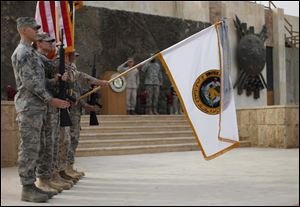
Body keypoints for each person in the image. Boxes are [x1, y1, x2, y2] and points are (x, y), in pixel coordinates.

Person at [11, 17, 70, 203]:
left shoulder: (33, 53)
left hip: (39, 106)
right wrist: (50, 99)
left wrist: (55, 80)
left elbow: (41, 80)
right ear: (23, 30)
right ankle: (27, 188)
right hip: (29, 107)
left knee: (39, 146)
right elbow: (29, 82)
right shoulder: (22, 53)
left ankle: (35, 183)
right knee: (29, 147)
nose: (37, 30)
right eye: (34, 28)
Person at [58, 51, 109, 183]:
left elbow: (83, 78)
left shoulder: (74, 71)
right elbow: (73, 94)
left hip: (76, 112)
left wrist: (99, 82)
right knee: (67, 140)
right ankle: (63, 168)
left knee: (74, 139)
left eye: (76, 56)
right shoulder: (65, 71)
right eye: (73, 56)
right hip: (69, 110)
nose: (75, 58)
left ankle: (69, 166)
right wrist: (85, 105)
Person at [34, 32, 72, 193]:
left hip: (49, 106)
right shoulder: (35, 58)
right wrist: (55, 80)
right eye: (48, 41)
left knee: (52, 143)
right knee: (44, 144)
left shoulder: (45, 60)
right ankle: (42, 179)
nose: (51, 44)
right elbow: (37, 83)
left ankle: (49, 176)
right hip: (41, 105)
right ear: (38, 42)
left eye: (52, 42)